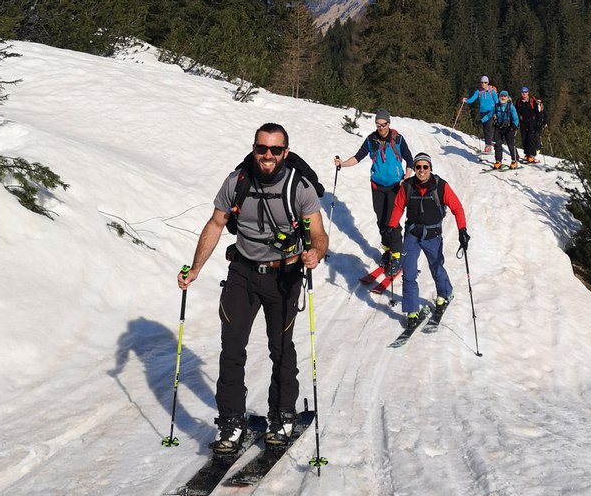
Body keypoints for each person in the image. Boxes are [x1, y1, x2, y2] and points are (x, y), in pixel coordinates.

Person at [178, 123, 328, 453]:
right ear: (254, 149)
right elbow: (216, 224)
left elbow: (318, 232)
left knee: (281, 347)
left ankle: (282, 414)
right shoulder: (237, 182)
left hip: (284, 276)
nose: (268, 155)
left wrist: (316, 251)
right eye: (262, 149)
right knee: (231, 349)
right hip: (242, 273)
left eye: (276, 150)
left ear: (286, 153)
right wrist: (196, 268)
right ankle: (231, 421)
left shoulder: (299, 188)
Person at [387, 153, 469, 331]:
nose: (422, 171)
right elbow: (398, 207)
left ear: (430, 168)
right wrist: (391, 227)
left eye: (425, 167)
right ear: (415, 168)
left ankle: (445, 294)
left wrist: (462, 231)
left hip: (432, 235)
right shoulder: (407, 186)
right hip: (412, 234)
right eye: (418, 167)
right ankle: (412, 311)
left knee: (437, 269)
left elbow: (457, 208)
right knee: (408, 272)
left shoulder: (441, 186)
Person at [335, 108, 413, 273]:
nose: (381, 128)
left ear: (388, 124)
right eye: (378, 124)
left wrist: (406, 177)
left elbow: (409, 159)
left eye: (383, 124)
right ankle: (387, 251)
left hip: (395, 187)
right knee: (381, 220)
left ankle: (397, 257)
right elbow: (358, 157)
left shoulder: (397, 139)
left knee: (393, 221)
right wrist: (342, 164)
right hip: (377, 186)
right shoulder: (371, 140)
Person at [463, 76, 499, 153]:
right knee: (485, 128)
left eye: (485, 82)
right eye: (482, 82)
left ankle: (488, 146)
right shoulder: (478, 91)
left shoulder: (491, 91)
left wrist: (496, 113)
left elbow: (496, 102)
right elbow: (472, 99)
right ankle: (487, 145)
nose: (483, 84)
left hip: (491, 111)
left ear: (487, 83)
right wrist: (466, 100)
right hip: (482, 111)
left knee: (488, 127)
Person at [489, 90, 520, 169]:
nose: (503, 98)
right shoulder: (496, 106)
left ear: (507, 97)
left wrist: (514, 126)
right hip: (499, 127)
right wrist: (482, 120)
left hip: (509, 128)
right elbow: (489, 115)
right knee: (498, 144)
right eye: (501, 96)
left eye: (504, 96)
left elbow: (516, 119)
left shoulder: (511, 107)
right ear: (499, 97)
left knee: (510, 144)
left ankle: (515, 159)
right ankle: (498, 161)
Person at [515, 87, 546, 163]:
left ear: (528, 93)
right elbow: (516, 111)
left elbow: (538, 112)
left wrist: (539, 122)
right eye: (523, 92)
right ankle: (527, 154)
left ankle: (532, 154)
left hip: (532, 121)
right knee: (524, 138)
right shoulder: (519, 101)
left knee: (531, 138)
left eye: (525, 92)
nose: (524, 93)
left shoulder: (532, 101)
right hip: (523, 122)